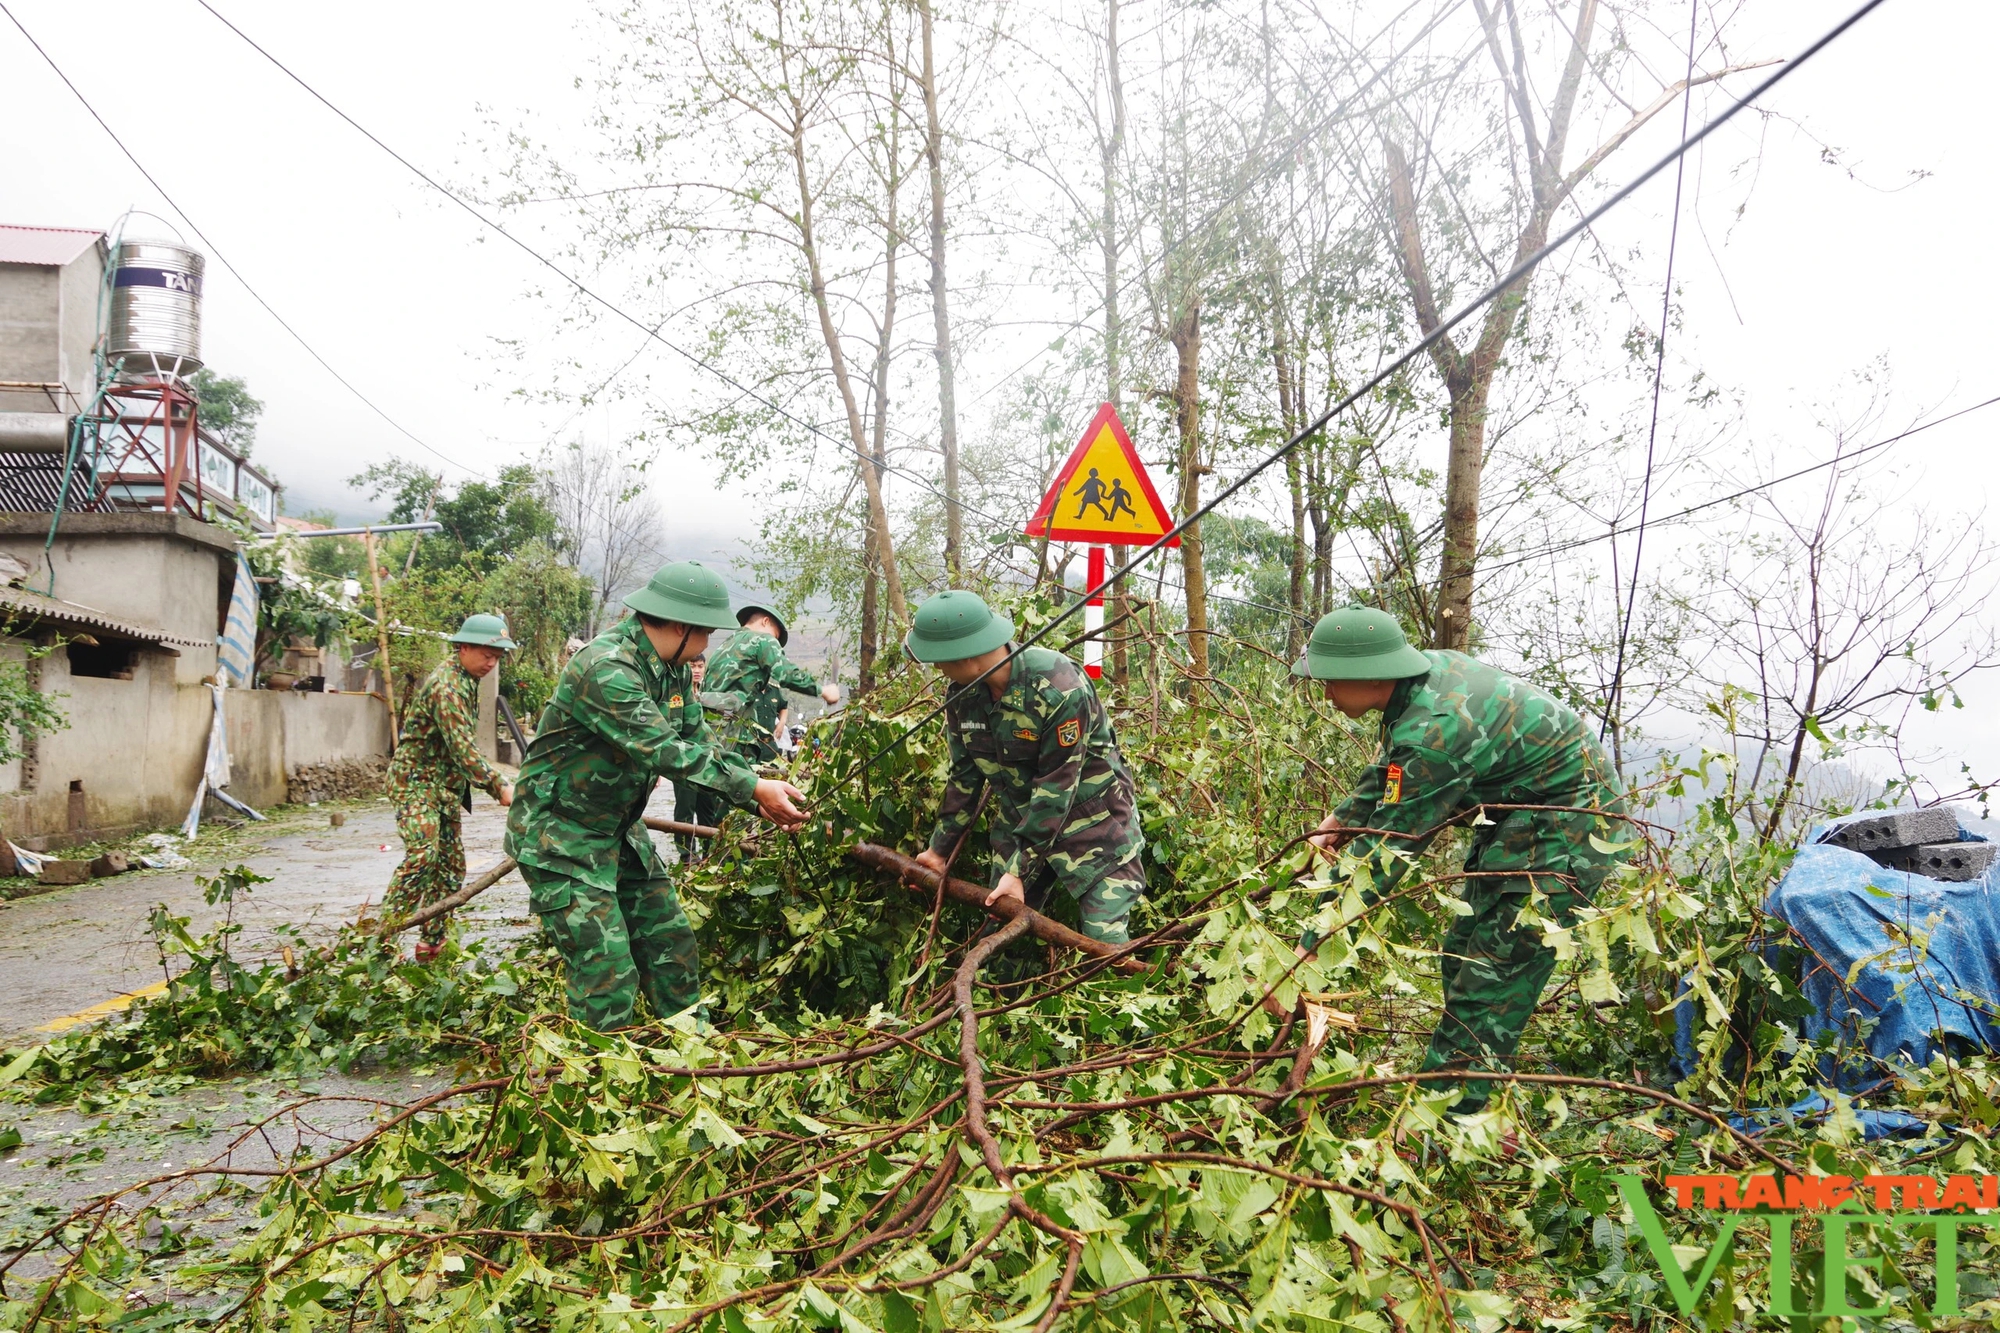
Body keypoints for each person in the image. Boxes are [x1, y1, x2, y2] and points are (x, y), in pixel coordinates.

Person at [1291, 606, 1630, 1112]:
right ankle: (1477, 1099)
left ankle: (1446, 1120)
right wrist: (1338, 823)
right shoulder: (1423, 683)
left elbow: (1387, 851)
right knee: (1465, 951)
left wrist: (1309, 945)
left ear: (1369, 674)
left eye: (1330, 680)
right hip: (1518, 819)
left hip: (1572, 833)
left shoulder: (1438, 730)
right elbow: (1392, 770)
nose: (1325, 693)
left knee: (1491, 978)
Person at [505, 561, 810, 1030]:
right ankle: (606, 1078)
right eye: (705, 632)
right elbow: (664, 751)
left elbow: (700, 742)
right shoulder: (606, 668)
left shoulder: (672, 671)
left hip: (618, 830)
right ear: (678, 624)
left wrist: (758, 794)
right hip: (561, 837)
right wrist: (752, 787)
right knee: (605, 972)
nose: (708, 645)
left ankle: (693, 1047)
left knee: (670, 941)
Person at [906, 591, 1146, 944]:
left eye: (939, 660)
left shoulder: (1060, 688)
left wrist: (1018, 872)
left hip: (1096, 829)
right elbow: (965, 777)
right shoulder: (963, 695)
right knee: (998, 942)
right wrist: (939, 850)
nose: (937, 669)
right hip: (1021, 828)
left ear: (968, 655)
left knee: (1103, 948)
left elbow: (1057, 789)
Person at [383, 613, 516, 962]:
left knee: (451, 868)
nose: (491, 662)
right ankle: (380, 939)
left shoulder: (468, 678)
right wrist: (498, 785)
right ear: (463, 646)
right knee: (422, 857)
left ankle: (432, 945)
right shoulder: (447, 687)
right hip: (414, 784)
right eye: (487, 654)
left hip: (442, 789)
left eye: (497, 657)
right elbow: (463, 750)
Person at [702, 603, 841, 765]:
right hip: (733, 729)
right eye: (775, 636)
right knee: (735, 780)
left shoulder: (724, 646)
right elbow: (786, 674)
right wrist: (822, 690)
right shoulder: (763, 639)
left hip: (708, 728)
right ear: (765, 621)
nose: (773, 641)